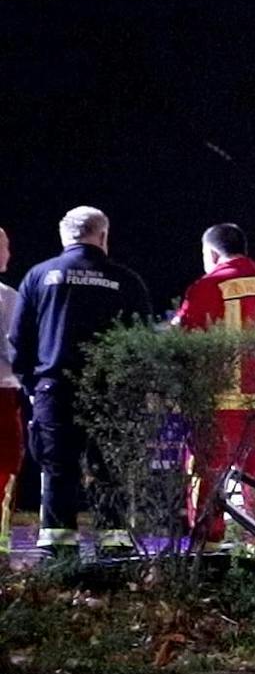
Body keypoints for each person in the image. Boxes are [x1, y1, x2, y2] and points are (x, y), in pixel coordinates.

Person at [7, 207, 153, 551]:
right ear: (102, 236)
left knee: (58, 471)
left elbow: (19, 338)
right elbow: (144, 343)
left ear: (65, 237)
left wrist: (32, 385)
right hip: (111, 393)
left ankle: (58, 554)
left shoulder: (39, 276)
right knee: (110, 471)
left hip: (54, 389)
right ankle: (114, 550)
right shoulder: (126, 280)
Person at [173, 223, 255, 544]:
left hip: (220, 404)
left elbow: (185, 339)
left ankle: (207, 549)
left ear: (211, 252)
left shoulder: (208, 286)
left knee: (207, 480)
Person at [0, 228, 23, 543]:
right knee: (4, 467)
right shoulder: (6, 298)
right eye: (5, 246)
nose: (9, 253)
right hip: (2, 394)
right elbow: (17, 351)